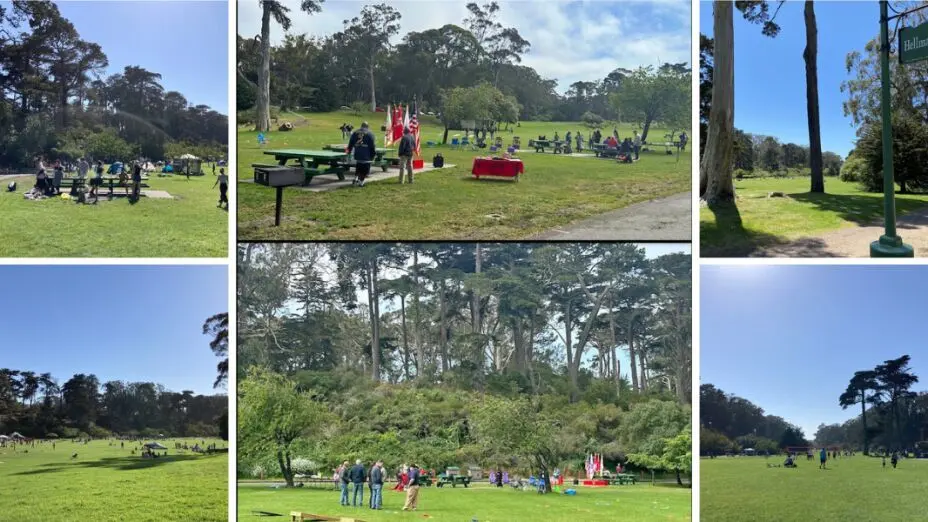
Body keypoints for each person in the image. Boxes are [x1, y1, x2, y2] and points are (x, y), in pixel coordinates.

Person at [347, 121, 376, 187]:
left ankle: (355, 178)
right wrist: (373, 154)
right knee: (365, 170)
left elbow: (350, 143)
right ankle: (361, 182)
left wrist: (349, 151)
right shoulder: (370, 133)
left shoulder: (355, 132)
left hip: (357, 154)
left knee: (358, 167)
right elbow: (372, 146)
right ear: (367, 126)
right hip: (366, 155)